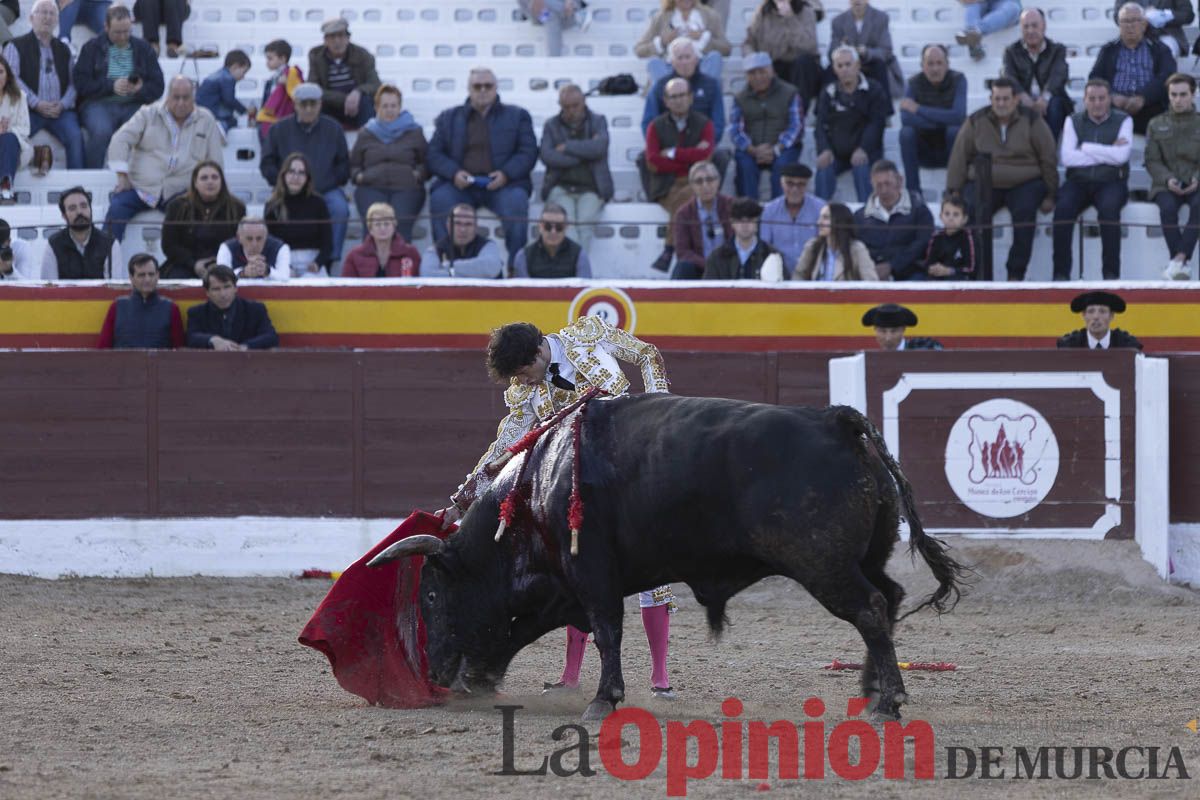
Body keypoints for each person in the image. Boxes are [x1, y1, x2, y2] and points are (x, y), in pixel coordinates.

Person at [443, 317, 676, 700]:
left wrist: (657, 411)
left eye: (525, 372)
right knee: (579, 571)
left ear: (538, 351)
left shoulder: (588, 336)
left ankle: (661, 678)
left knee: (655, 567)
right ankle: (570, 676)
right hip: (584, 488)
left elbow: (647, 355)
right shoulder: (527, 393)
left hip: (632, 468)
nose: (525, 382)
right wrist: (462, 501)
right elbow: (504, 448)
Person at [945, 77, 1057, 281]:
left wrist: (1051, 193)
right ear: (991, 98)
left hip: (1024, 181)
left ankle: (1015, 273)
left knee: (1024, 215)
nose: (1001, 104)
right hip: (984, 181)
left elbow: (1047, 156)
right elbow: (959, 155)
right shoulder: (976, 120)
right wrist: (953, 190)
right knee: (972, 214)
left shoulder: (1032, 120)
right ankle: (978, 272)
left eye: (1006, 99)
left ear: (1016, 99)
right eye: (997, 99)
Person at [427, 67, 537, 267]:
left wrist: (506, 174)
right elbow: (434, 154)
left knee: (517, 203)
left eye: (488, 86)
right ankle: (445, 265)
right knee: (440, 200)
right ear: (469, 89)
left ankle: (515, 268)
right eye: (477, 86)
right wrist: (454, 173)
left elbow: (528, 152)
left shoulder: (518, 115)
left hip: (503, 185)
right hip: (461, 186)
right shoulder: (448, 118)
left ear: (496, 88)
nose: (483, 90)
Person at [103, 75, 224, 243]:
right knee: (116, 210)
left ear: (193, 97)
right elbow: (120, 139)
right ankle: (105, 264)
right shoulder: (148, 113)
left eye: (186, 98)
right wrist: (122, 176)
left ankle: (184, 266)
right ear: (168, 96)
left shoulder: (206, 119)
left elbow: (215, 162)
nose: (181, 103)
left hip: (181, 191)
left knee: (192, 222)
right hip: (141, 187)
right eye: (176, 97)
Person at [260, 83, 350, 264]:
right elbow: (267, 163)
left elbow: (344, 164)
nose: (308, 109)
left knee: (340, 208)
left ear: (320, 104)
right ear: (295, 104)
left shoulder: (334, 128)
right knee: (273, 207)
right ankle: (277, 260)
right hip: (288, 190)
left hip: (325, 190)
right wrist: (284, 183)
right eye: (303, 104)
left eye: (313, 104)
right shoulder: (279, 129)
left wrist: (329, 181)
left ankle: (330, 259)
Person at [1052, 78, 1132, 281]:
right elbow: (1068, 158)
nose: (1097, 103)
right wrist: (1109, 151)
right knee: (1062, 210)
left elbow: (1121, 157)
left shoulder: (1124, 120)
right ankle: (1061, 274)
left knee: (1109, 211)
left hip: (1111, 181)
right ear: (1085, 100)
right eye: (1092, 98)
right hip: (1078, 181)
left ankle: (1111, 274)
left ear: (1109, 99)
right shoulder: (1073, 120)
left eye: (1102, 98)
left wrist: (1086, 147)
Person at [73, 5, 164, 169]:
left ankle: (140, 176)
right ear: (106, 27)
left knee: (147, 130)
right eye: (117, 32)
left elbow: (158, 86)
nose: (123, 37)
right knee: (101, 131)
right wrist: (110, 86)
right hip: (98, 104)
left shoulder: (143, 48)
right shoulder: (91, 48)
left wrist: (140, 90)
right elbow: (81, 83)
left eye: (127, 31)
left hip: (133, 104)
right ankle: (91, 177)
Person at [644, 79, 717, 273]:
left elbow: (706, 157)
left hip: (695, 183)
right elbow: (652, 162)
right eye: (673, 97)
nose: (678, 101)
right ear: (666, 101)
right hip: (667, 185)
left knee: (691, 195)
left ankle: (669, 250)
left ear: (691, 97)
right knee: (689, 198)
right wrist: (691, 156)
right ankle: (679, 252)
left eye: (682, 95)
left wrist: (672, 153)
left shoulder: (704, 123)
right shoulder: (655, 126)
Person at [4, 0, 85, 170]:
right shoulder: (15, 45)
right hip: (28, 110)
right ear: (31, 18)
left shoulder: (64, 49)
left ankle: (78, 188)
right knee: (12, 137)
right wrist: (36, 103)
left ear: (57, 20)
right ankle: (6, 183)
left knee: (76, 137)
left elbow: (74, 83)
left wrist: (62, 104)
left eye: (52, 13)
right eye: (42, 12)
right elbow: (12, 79)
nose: (47, 17)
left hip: (59, 112)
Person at [349, 84, 427, 244]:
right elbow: (354, 165)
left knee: (400, 225)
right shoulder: (366, 133)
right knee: (375, 225)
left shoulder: (414, 132)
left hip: (406, 188)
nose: (389, 110)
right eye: (385, 106)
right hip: (371, 187)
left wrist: (418, 174)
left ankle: (402, 267)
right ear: (377, 107)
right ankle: (371, 267)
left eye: (393, 106)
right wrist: (360, 177)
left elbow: (426, 162)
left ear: (400, 107)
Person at [540, 84, 612, 255]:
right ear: (560, 105)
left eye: (575, 105)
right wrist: (585, 154)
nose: (572, 110)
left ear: (584, 102)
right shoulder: (551, 125)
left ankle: (577, 273)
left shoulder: (598, 120)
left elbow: (599, 148)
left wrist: (566, 147)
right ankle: (576, 272)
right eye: (566, 107)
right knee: (567, 226)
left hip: (592, 188)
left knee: (584, 225)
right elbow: (547, 156)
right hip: (560, 187)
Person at [814, 45, 890, 202]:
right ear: (834, 69)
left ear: (858, 66)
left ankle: (868, 215)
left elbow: (877, 123)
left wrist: (863, 148)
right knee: (823, 167)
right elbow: (820, 124)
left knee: (862, 167)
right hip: (837, 153)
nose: (844, 69)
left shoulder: (874, 89)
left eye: (848, 64)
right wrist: (825, 149)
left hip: (867, 151)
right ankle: (819, 214)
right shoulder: (828, 92)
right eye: (839, 65)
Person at [1089, 3, 1177, 134]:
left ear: (1144, 24)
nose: (1130, 25)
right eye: (1125, 21)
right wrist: (1111, 96)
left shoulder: (1160, 49)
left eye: (1135, 20)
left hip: (1150, 105)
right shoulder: (1108, 50)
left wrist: (1143, 98)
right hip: (1114, 106)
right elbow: (1095, 78)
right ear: (1119, 25)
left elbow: (1167, 77)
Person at [1147, 72, 1200, 280]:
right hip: (1166, 184)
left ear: (1193, 95)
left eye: (1183, 95)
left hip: (1196, 183)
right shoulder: (1155, 123)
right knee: (1167, 208)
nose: (1178, 100)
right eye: (1174, 95)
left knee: (1199, 206)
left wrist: (1197, 178)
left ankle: (1177, 261)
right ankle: (1181, 263)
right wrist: (1168, 179)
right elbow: (1152, 160)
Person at [730, 53, 803, 200]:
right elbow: (735, 129)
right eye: (752, 73)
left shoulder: (790, 92)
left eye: (762, 71)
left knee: (783, 166)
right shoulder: (740, 98)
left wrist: (776, 149)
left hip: (783, 147)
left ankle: (779, 213)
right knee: (745, 164)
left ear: (771, 71)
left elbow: (796, 127)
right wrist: (752, 149)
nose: (758, 77)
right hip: (752, 149)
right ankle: (748, 212)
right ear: (746, 76)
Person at [160, 159, 245, 280]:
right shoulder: (177, 206)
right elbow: (169, 245)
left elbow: (240, 242)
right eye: (204, 178)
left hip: (224, 264)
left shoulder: (237, 208)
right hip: (184, 264)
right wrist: (193, 264)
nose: (210, 182)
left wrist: (218, 262)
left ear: (222, 181)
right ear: (195, 182)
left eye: (214, 177)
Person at [899, 44, 966, 195]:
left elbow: (959, 116)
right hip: (923, 150)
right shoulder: (913, 83)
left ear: (947, 64)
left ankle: (954, 190)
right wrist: (944, 119)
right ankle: (913, 192)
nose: (935, 69)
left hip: (950, 150)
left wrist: (919, 109)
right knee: (906, 133)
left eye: (939, 63)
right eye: (930, 63)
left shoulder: (959, 80)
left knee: (954, 131)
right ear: (922, 66)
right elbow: (906, 119)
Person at [853, 160, 934, 280]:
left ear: (900, 181)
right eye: (878, 185)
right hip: (872, 274)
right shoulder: (860, 216)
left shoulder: (919, 211)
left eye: (888, 184)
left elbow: (922, 244)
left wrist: (893, 265)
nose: (884, 190)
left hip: (910, 273)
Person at [1002, 9, 1074, 144]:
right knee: (1013, 104)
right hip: (1023, 99)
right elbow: (1009, 76)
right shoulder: (1011, 51)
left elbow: (1058, 76)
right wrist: (1023, 97)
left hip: (1049, 100)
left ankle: (1049, 152)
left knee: (1055, 104)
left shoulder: (1057, 50)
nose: (1030, 31)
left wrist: (1044, 99)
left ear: (1044, 26)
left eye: (1034, 25)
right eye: (1026, 26)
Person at [641, 38, 726, 149]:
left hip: (701, 145)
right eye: (679, 58)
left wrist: (708, 142)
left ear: (696, 59)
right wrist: (659, 145)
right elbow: (648, 121)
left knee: (721, 158)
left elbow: (718, 121)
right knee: (644, 159)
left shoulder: (711, 85)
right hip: (668, 146)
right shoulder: (660, 86)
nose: (684, 62)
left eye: (687, 57)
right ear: (672, 62)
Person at [264, 152, 333, 279]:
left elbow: (328, 243)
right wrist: (285, 267)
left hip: (312, 262)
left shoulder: (318, 203)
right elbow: (269, 243)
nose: (296, 177)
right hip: (282, 261)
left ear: (307, 177)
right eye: (291, 171)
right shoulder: (272, 205)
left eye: (301, 173)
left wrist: (318, 263)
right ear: (283, 175)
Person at [742, 0, 824, 106]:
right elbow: (748, 43)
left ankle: (799, 113)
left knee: (803, 63)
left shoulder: (807, 11)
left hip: (803, 69)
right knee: (763, 70)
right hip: (775, 64)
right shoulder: (762, 13)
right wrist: (755, 59)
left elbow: (809, 44)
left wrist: (790, 19)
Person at [97, 253, 184, 348]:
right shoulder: (117, 308)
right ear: (131, 278)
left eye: (151, 274)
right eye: (141, 275)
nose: (147, 279)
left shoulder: (171, 309)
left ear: (158, 275)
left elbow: (179, 353)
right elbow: (103, 350)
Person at [308, 17, 380, 129]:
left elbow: (375, 84)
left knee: (366, 101)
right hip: (331, 104)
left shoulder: (363, 55)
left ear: (348, 38)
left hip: (358, 105)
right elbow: (313, 87)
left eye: (341, 36)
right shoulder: (316, 56)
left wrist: (357, 92)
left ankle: (367, 139)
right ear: (325, 41)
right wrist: (344, 99)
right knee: (314, 104)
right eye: (332, 37)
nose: (337, 41)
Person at [634, 0, 730, 84]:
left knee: (715, 58)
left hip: (701, 66)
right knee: (654, 62)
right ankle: (670, 94)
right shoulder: (661, 17)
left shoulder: (710, 15)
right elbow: (639, 50)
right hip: (671, 68)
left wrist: (704, 38)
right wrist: (662, 42)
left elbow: (726, 49)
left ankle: (703, 90)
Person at [186, 265, 279, 350]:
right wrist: (212, 340)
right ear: (207, 292)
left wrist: (246, 346)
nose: (223, 294)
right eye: (216, 289)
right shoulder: (197, 312)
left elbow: (271, 337)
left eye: (227, 287)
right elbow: (191, 338)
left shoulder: (255, 309)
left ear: (235, 288)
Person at [40, 185, 123, 279]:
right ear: (64, 216)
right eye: (72, 208)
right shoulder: (54, 244)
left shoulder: (110, 244)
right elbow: (49, 289)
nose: (79, 212)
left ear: (90, 209)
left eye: (84, 206)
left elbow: (113, 289)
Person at [759, 162, 824, 277]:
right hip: (778, 275)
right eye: (790, 183)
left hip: (813, 273)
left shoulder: (820, 209)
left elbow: (824, 245)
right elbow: (765, 246)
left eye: (801, 184)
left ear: (808, 185)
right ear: (781, 183)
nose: (795, 189)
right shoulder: (769, 211)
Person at [670, 160, 732, 279]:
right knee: (683, 267)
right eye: (699, 181)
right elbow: (683, 252)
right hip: (700, 267)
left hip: (728, 266)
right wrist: (708, 264)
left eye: (710, 180)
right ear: (692, 186)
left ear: (718, 181)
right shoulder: (684, 213)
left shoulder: (731, 206)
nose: (705, 186)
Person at [828, 0, 900, 94]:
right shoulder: (838, 21)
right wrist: (843, 49)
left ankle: (884, 106)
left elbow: (886, 51)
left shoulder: (881, 18)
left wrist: (867, 52)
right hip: (848, 63)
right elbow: (831, 53)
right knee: (830, 71)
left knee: (879, 67)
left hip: (871, 63)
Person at [703, 196, 783, 279]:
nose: (745, 225)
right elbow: (708, 289)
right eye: (740, 219)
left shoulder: (772, 255)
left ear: (757, 222)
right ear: (732, 223)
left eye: (750, 219)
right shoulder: (716, 257)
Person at [419, 203, 506, 278]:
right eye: (457, 223)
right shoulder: (435, 250)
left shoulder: (488, 245)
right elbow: (428, 275)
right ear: (448, 226)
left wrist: (448, 266)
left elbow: (491, 268)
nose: (463, 229)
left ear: (475, 227)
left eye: (468, 224)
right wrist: (475, 273)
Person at [791, 202, 875, 280]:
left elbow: (871, 283)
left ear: (839, 221)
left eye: (825, 218)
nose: (819, 222)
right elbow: (798, 275)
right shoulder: (812, 247)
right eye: (820, 217)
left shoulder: (857, 249)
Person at [341, 202, 422, 278]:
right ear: (370, 229)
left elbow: (419, 286)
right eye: (377, 224)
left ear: (394, 226)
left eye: (386, 224)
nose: (382, 228)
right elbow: (346, 287)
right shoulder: (355, 255)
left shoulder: (410, 253)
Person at [513, 203, 592, 278]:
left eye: (559, 227)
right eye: (548, 226)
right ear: (540, 226)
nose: (553, 232)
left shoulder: (579, 255)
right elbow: (522, 291)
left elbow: (584, 289)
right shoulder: (524, 256)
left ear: (566, 227)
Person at [1056, 290, 1142, 350]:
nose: (1096, 317)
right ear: (1084, 315)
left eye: (1102, 311)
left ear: (1111, 316)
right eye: (1091, 311)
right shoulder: (1070, 345)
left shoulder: (1126, 345)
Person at [921, 192, 978, 280]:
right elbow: (928, 264)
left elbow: (972, 269)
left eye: (956, 215)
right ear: (941, 216)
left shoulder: (968, 237)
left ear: (964, 219)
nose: (950, 218)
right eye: (947, 214)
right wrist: (933, 269)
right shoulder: (936, 237)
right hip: (938, 281)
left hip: (961, 283)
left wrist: (949, 271)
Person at [256, 39, 303, 141]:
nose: (267, 62)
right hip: (273, 118)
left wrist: (287, 83)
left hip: (283, 117)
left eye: (270, 59)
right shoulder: (274, 77)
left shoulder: (291, 73)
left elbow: (296, 93)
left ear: (282, 58)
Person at [216, 217, 290, 281]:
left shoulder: (281, 248)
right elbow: (221, 277)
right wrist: (243, 273)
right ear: (239, 238)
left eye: (259, 238)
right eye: (249, 239)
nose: (254, 244)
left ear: (266, 237)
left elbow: (285, 277)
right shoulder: (226, 248)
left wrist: (267, 271)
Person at [197, 50, 252, 133]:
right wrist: (244, 110)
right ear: (235, 67)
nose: (243, 77)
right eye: (244, 72)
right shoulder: (227, 78)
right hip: (214, 114)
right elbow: (229, 99)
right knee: (232, 122)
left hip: (203, 112)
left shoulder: (218, 75)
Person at [0, 53, 30, 204]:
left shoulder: (19, 96)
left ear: (7, 74)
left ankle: (5, 187)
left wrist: (5, 131)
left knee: (9, 139)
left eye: (0, 72)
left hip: (11, 145)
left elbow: (25, 129)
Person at [956, 0, 1022, 62]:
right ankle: (973, 37)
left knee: (1012, 8)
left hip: (1005, 4)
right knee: (971, 5)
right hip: (981, 3)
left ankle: (974, 32)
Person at [516, 0, 588, 57]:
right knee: (548, 11)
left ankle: (554, 60)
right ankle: (576, 17)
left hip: (556, 15)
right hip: (540, 16)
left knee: (551, 17)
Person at [862, 303, 943, 350]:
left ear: (903, 330)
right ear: (875, 330)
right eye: (883, 331)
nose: (888, 338)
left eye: (894, 331)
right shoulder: (869, 358)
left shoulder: (926, 346)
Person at [1128, 0, 1193, 57]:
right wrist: (1140, 16)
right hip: (1135, 35)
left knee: (1165, 55)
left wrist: (1163, 15)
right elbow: (1118, 14)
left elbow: (1188, 15)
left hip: (1167, 34)